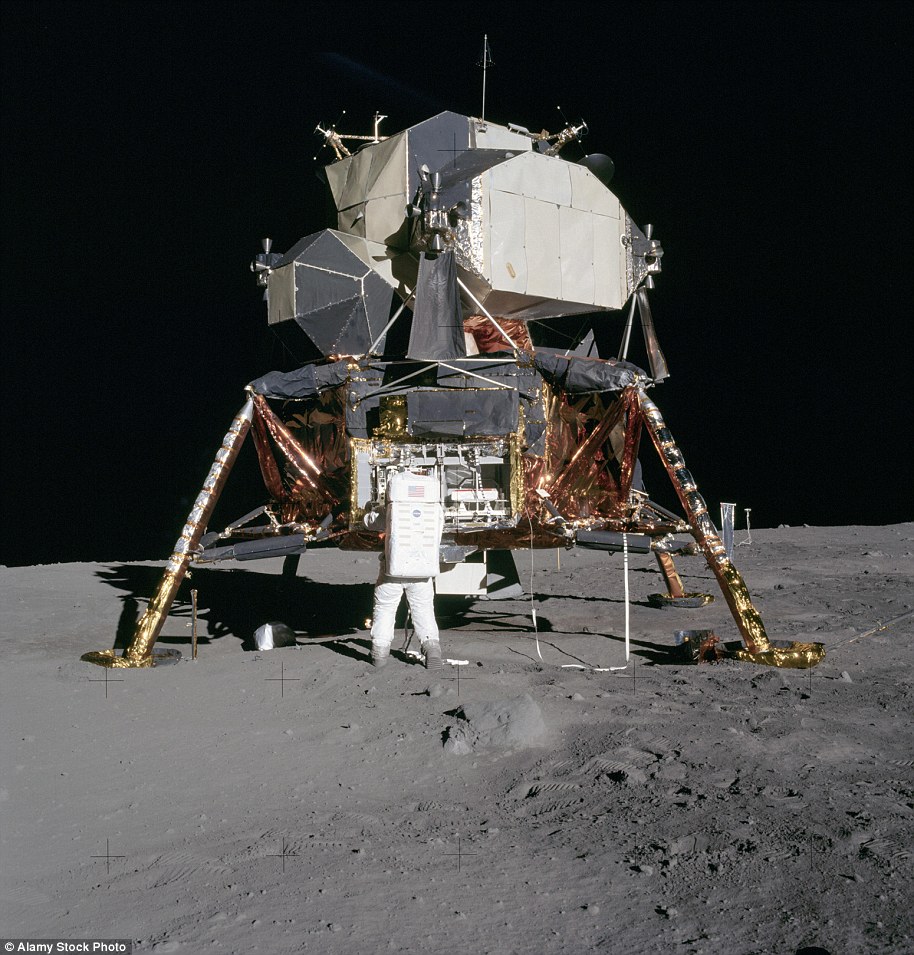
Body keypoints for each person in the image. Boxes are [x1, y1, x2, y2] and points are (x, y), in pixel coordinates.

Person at [368, 470, 444, 670]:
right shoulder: (436, 511)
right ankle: (432, 649)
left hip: (392, 572)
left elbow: (369, 522)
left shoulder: (390, 511)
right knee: (424, 610)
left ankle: (379, 654)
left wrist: (370, 508)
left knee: (385, 609)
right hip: (422, 572)